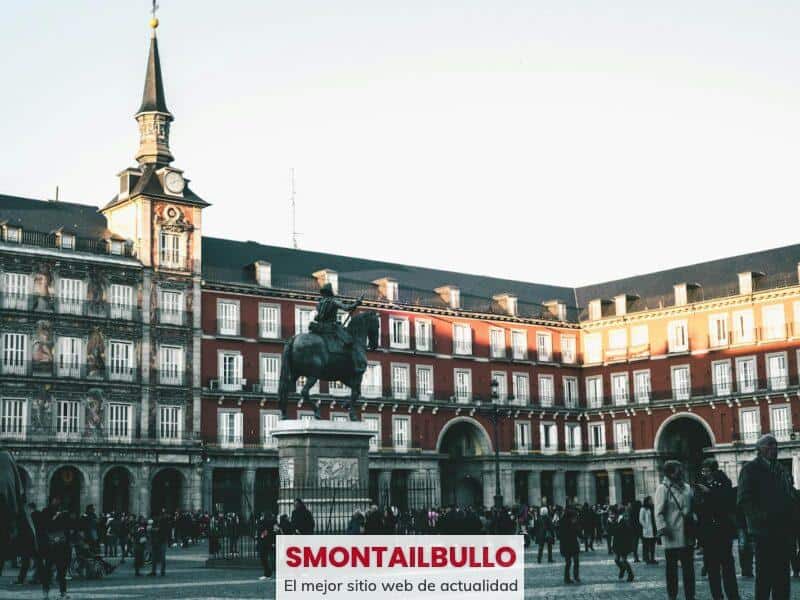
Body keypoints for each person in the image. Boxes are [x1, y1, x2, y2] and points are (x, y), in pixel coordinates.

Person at [738, 433, 799, 599]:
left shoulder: (781, 469)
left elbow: (790, 494)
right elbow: (744, 499)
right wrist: (760, 518)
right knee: (764, 576)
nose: (774, 449)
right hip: (763, 532)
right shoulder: (750, 469)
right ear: (759, 449)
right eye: (769, 446)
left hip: (783, 529)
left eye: (775, 446)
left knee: (783, 576)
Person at [695, 458, 739, 600]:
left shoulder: (724, 482)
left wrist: (709, 492)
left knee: (727, 565)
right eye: (703, 470)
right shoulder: (700, 484)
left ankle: (733, 595)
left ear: (713, 470)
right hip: (707, 531)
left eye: (706, 470)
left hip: (723, 530)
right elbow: (698, 508)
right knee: (712, 568)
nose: (704, 473)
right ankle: (717, 597)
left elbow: (727, 503)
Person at [655, 460, 695, 600]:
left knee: (689, 569)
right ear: (670, 472)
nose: (681, 472)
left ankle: (691, 596)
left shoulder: (688, 488)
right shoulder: (663, 488)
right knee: (671, 570)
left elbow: (692, 507)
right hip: (671, 534)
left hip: (687, 533)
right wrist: (662, 528)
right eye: (679, 469)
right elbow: (658, 512)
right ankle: (672, 595)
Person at [40, 495, 73, 600]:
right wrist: (55, 517)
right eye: (56, 499)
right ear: (51, 500)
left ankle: (63, 592)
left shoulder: (63, 512)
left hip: (62, 545)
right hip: (50, 546)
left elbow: (68, 527)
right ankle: (45, 593)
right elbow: (44, 526)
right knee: (47, 570)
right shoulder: (45, 511)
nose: (58, 501)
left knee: (61, 571)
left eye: (58, 499)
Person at [613, 503, 635, 583]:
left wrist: (615, 527)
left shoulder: (625, 518)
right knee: (616, 559)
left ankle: (630, 574)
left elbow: (627, 528)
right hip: (617, 541)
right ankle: (622, 568)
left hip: (624, 541)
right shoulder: (617, 517)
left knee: (624, 560)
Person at [559, 507, 581, 584]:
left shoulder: (562, 522)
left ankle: (568, 578)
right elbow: (577, 532)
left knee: (569, 562)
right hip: (571, 545)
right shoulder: (570, 523)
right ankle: (574, 577)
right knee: (574, 561)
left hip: (566, 545)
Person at [149, 509, 170, 576]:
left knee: (162, 557)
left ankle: (162, 571)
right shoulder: (153, 522)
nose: (153, 518)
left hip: (161, 542)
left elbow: (165, 532)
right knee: (154, 558)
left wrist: (156, 530)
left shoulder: (164, 522)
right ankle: (153, 571)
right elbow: (151, 532)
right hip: (155, 542)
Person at [639, 496, 658, 565]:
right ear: (647, 501)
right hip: (647, 529)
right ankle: (647, 558)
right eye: (650, 500)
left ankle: (652, 558)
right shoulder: (643, 509)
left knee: (653, 545)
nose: (652, 501)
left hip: (654, 528)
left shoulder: (653, 508)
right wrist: (646, 526)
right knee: (647, 545)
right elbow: (641, 519)